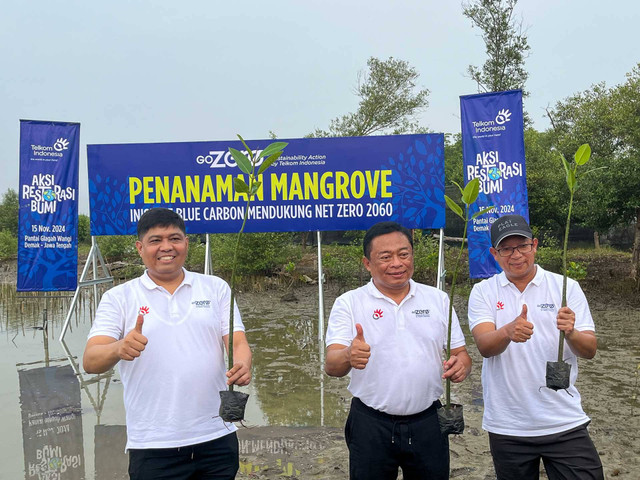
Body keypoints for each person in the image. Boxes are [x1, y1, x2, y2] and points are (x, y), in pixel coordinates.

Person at [83, 208, 252, 480]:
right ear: (140, 248)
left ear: (186, 243)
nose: (166, 247)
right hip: (153, 445)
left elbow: (237, 341)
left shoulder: (215, 288)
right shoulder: (119, 298)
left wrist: (243, 362)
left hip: (217, 438)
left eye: (174, 238)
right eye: (155, 240)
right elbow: (91, 361)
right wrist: (118, 348)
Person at [324, 221, 472, 480]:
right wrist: (349, 354)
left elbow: (461, 354)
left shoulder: (437, 299)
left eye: (404, 254)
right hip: (371, 424)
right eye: (386, 256)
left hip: (429, 421)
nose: (397, 263)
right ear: (367, 263)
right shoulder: (349, 303)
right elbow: (332, 366)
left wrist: (461, 365)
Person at [468, 214, 603, 480]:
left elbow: (589, 350)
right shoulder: (483, 291)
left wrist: (572, 332)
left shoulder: (565, 287)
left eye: (523, 246)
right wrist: (507, 331)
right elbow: (484, 346)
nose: (516, 254)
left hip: (563, 420)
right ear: (495, 253)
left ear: (535, 246)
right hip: (508, 425)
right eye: (506, 248)